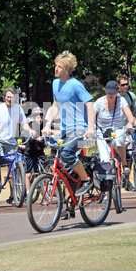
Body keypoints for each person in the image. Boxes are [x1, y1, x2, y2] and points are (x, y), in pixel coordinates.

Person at [43, 50, 95, 198]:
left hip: (79, 128)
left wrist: (90, 128)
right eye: (55, 65)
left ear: (67, 69)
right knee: (63, 166)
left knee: (66, 154)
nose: (56, 69)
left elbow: (89, 105)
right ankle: (70, 204)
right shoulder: (55, 83)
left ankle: (86, 180)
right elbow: (55, 105)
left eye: (59, 66)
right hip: (64, 129)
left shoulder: (75, 85)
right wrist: (48, 125)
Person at [0, 87, 35, 204]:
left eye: (12, 97)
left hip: (10, 142)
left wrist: (31, 131)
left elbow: (23, 124)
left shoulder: (18, 109)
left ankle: (14, 195)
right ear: (4, 97)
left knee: (14, 166)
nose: (9, 99)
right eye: (8, 97)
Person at [95, 80, 135, 174]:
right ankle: (108, 184)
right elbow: (91, 115)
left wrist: (130, 123)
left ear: (117, 92)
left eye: (113, 92)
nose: (110, 94)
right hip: (102, 131)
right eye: (108, 92)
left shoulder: (121, 100)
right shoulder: (99, 102)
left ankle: (124, 163)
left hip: (118, 128)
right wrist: (92, 124)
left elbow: (130, 116)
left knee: (118, 140)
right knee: (105, 160)